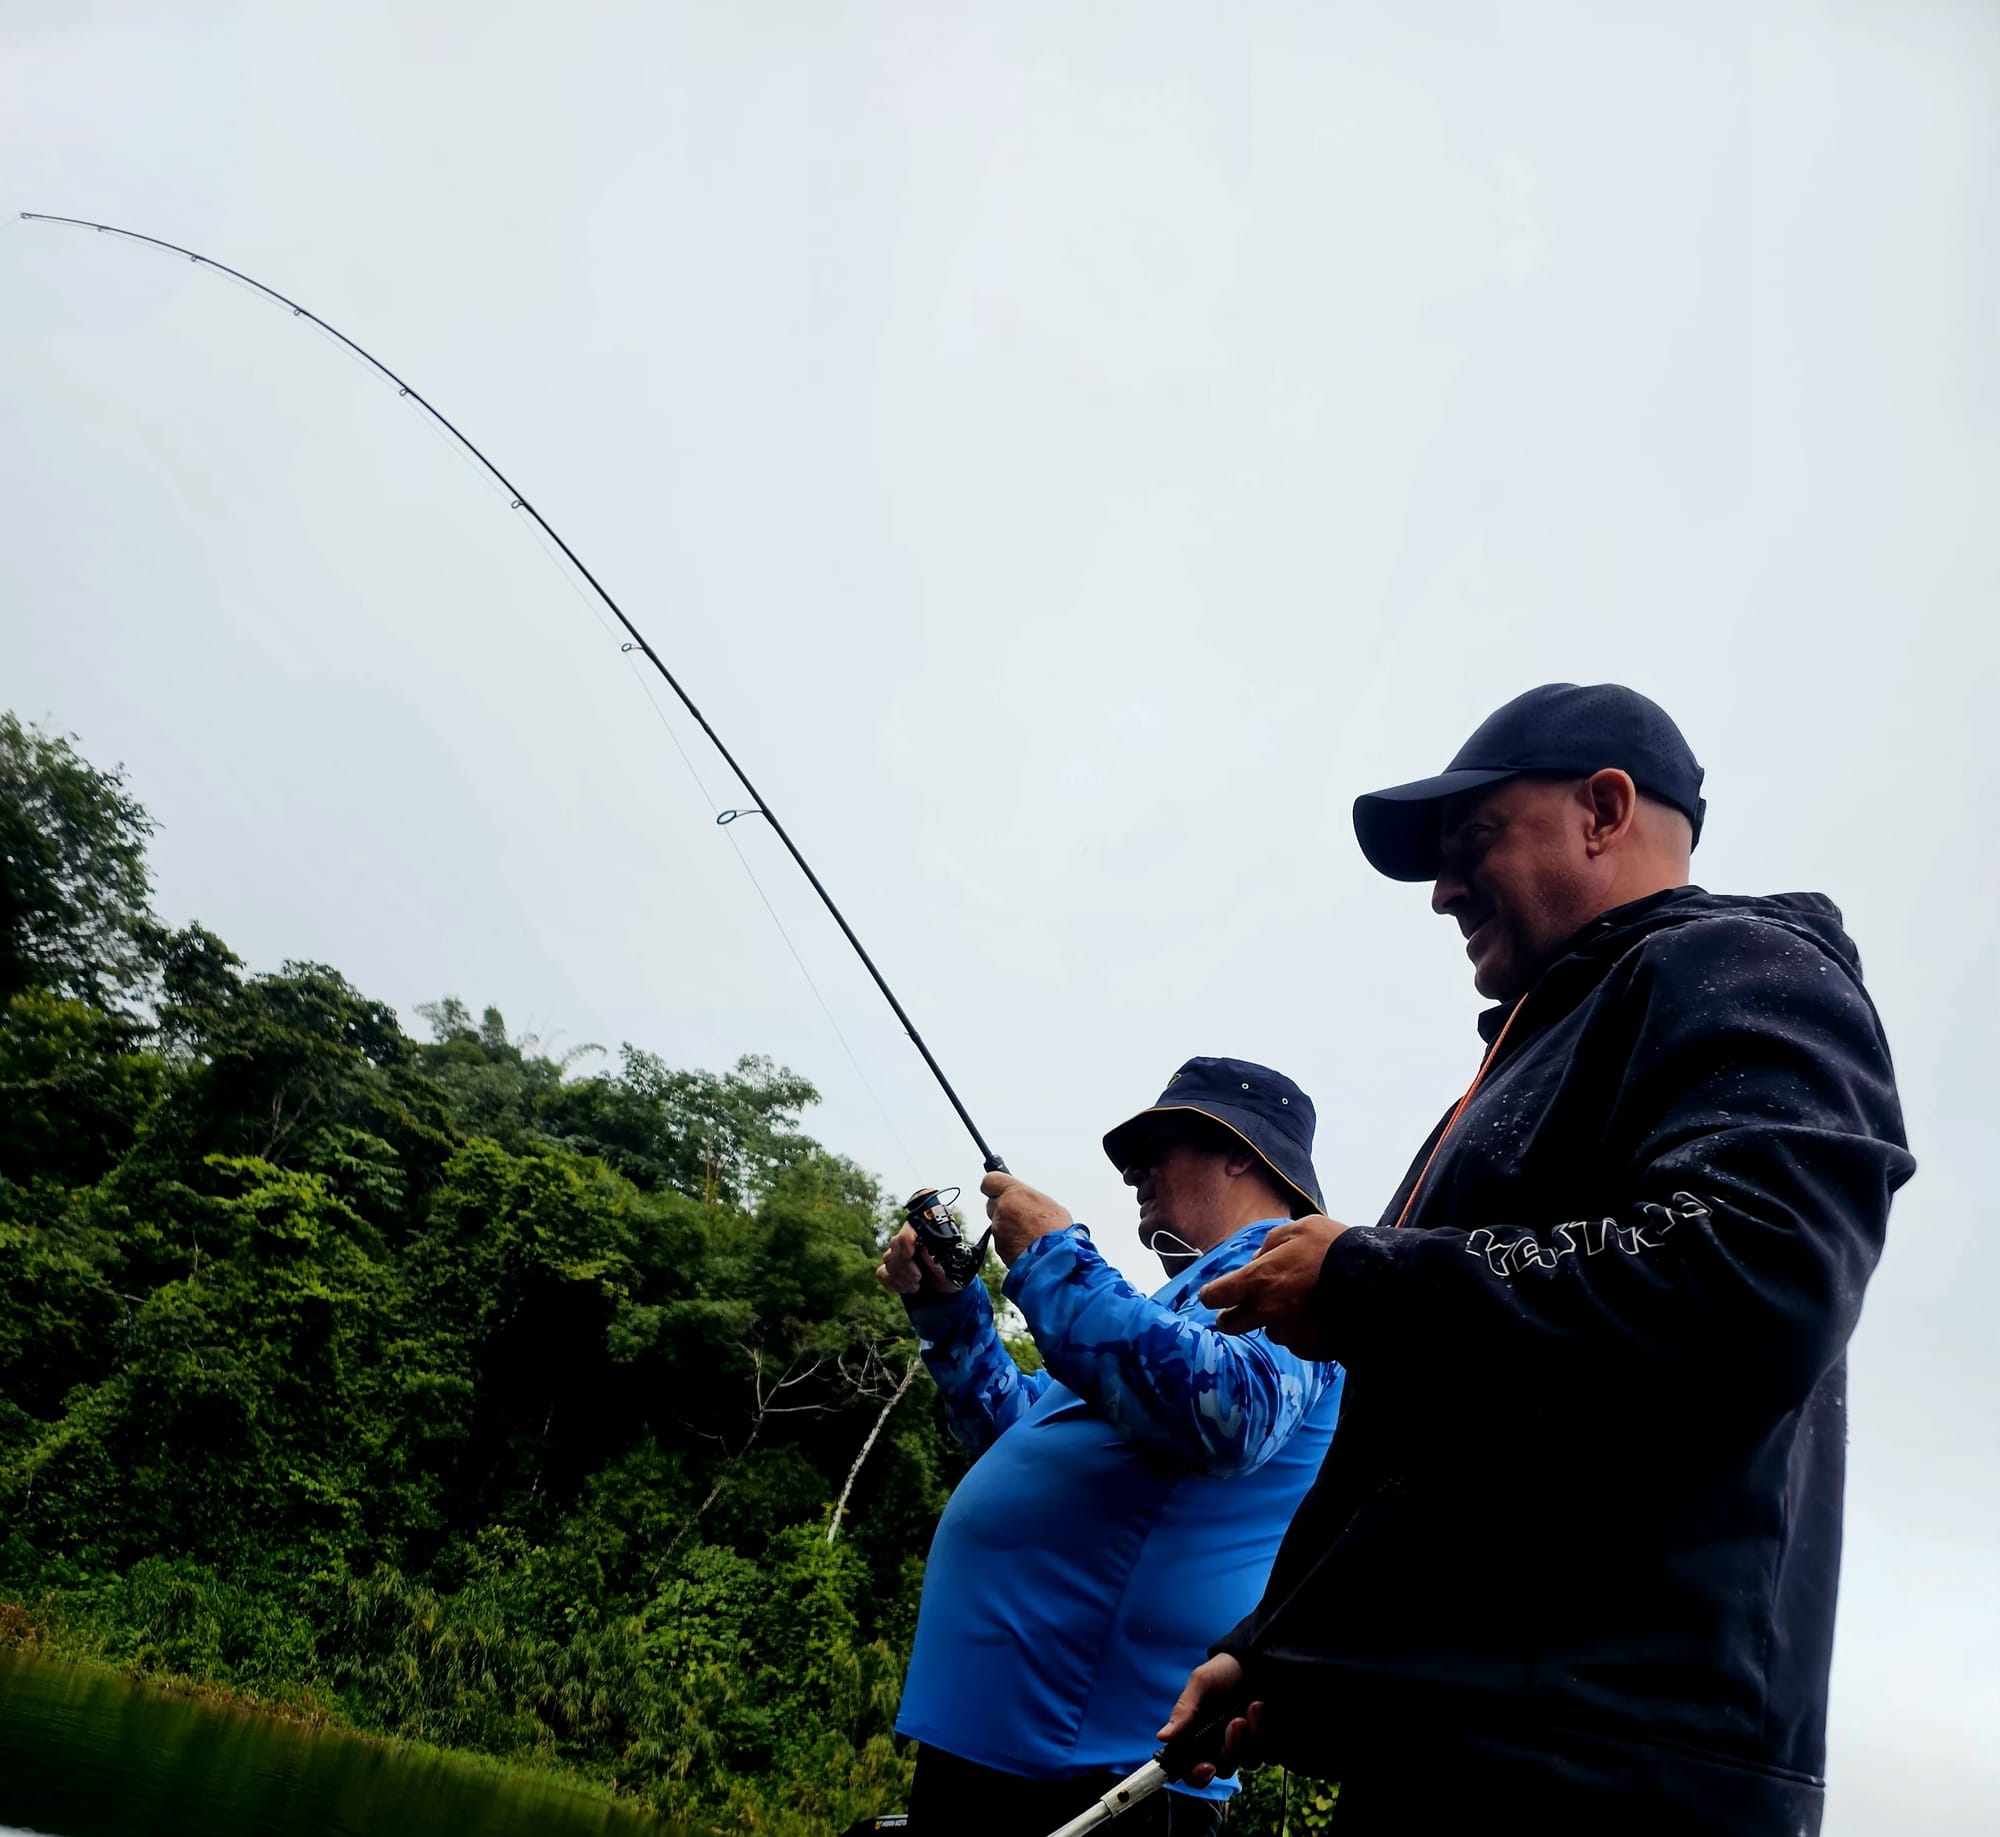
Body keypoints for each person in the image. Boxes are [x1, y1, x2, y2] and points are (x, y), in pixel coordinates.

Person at [1162, 683, 1914, 1836]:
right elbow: (1441, 1434)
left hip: (1608, 1780)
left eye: (1469, 841)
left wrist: (1364, 1277)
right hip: (1469, 1758)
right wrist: (1273, 1653)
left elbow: (1752, 1272)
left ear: (1603, 810)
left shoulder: (1742, 966)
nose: (1441, 891)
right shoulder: (1538, 1048)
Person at [877, 1058, 1345, 1836]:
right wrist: (946, 1309)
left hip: (1096, 1778)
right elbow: (1015, 1432)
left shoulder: (1300, 1275)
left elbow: (1228, 1410)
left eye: (1158, 1144)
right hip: (998, 1747)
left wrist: (1055, 1256)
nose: (1132, 1170)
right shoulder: (1165, 1307)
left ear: (1241, 1149)